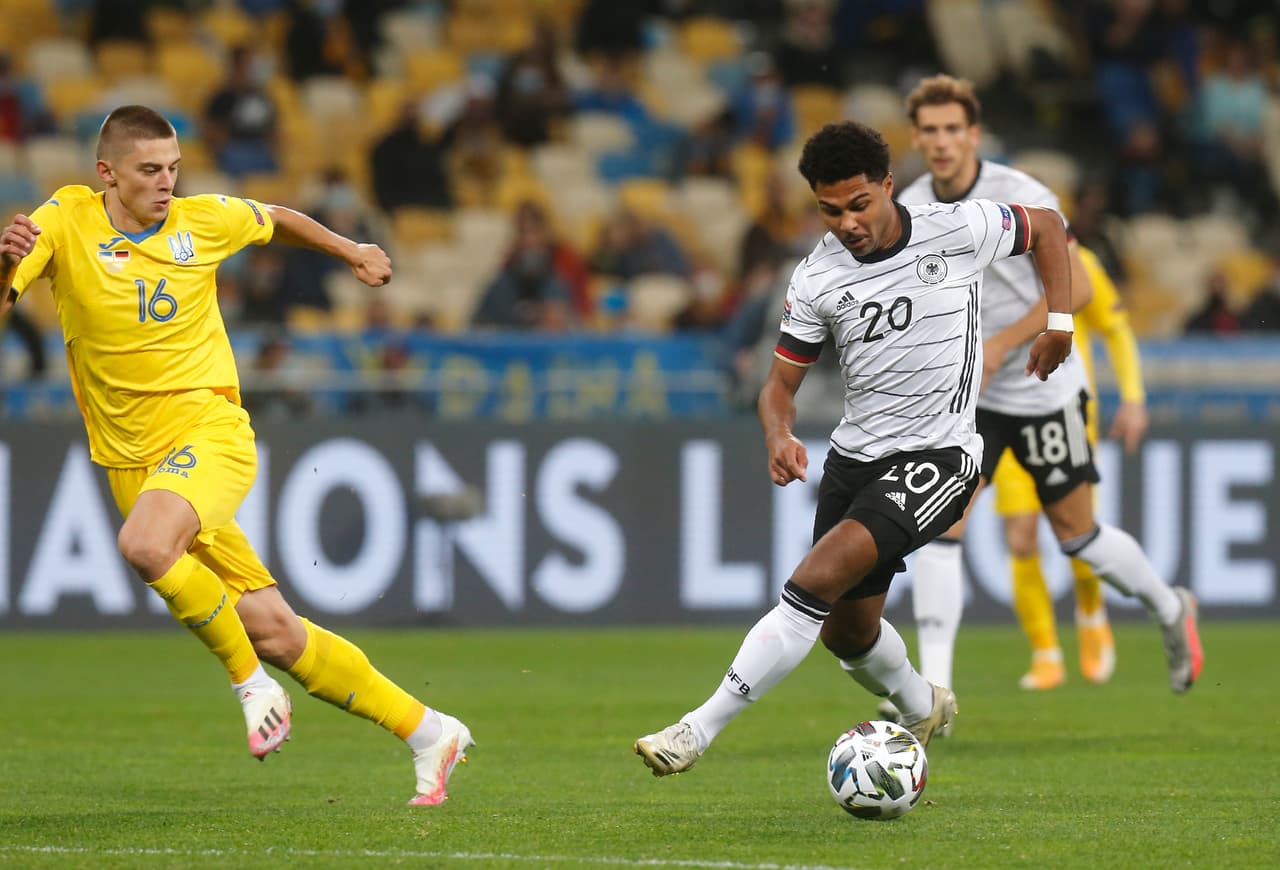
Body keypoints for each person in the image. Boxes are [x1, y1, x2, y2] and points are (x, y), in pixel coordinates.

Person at [0, 106, 473, 806]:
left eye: (173, 168)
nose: (166, 183)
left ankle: (250, 686)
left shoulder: (203, 221)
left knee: (145, 545)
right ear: (107, 173)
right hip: (135, 464)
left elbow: (276, 215)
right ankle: (429, 731)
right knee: (278, 631)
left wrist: (349, 250)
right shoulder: (64, 222)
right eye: (149, 170)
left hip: (209, 433)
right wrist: (5, 264)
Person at [633, 119, 1076, 777]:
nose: (847, 222)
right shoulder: (817, 278)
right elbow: (778, 386)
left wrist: (1060, 322)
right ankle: (923, 702)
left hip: (940, 458)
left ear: (888, 187)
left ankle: (696, 729)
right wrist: (778, 433)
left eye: (859, 204)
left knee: (810, 584)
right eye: (829, 210)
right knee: (847, 633)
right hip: (855, 460)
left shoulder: (956, 229)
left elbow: (1046, 226)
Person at [893, 74, 1201, 712]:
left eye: (954, 129)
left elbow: (1081, 291)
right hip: (971, 397)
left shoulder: (1022, 195)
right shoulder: (915, 205)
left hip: (1041, 385)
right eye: (931, 130)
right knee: (939, 527)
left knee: (1077, 536)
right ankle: (933, 697)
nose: (943, 141)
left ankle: (1170, 608)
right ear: (917, 137)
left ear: (974, 134)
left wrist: (1003, 341)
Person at [992, 244, 1149, 690]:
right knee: (1020, 536)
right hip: (1005, 414)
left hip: (1065, 418)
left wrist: (1133, 398)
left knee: (1075, 533)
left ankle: (1091, 613)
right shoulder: (991, 261)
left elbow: (1115, 329)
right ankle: (1045, 652)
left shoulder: (1079, 261)